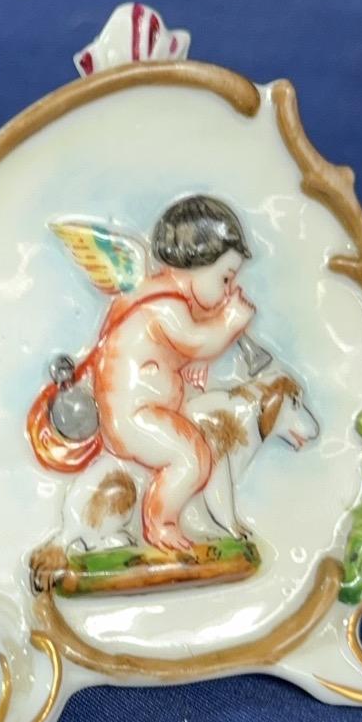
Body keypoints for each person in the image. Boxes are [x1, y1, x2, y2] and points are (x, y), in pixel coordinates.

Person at [87, 195, 255, 552]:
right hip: (133, 416)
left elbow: (174, 350)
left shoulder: (165, 298)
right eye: (225, 278)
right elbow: (196, 341)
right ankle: (160, 525)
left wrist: (189, 366)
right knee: (191, 459)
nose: (228, 290)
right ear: (198, 263)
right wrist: (230, 321)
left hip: (149, 409)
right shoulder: (164, 305)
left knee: (202, 450)